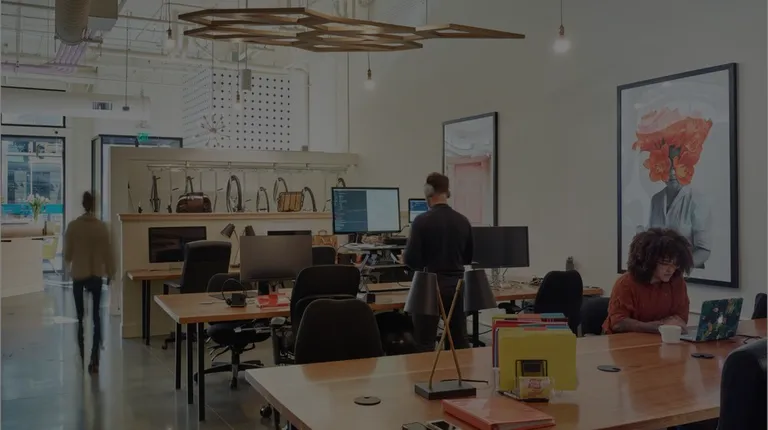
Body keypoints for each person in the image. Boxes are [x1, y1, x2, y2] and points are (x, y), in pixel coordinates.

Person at [403, 172, 473, 351]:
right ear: (447, 192)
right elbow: (468, 257)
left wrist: (404, 257)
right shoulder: (463, 221)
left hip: (429, 286)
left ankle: (427, 370)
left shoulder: (421, 221)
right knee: (458, 340)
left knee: (424, 342)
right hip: (457, 286)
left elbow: (411, 260)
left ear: (428, 191)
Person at [603, 228, 693, 335]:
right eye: (665, 263)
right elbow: (618, 323)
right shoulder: (626, 283)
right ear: (648, 261)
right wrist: (659, 326)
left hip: (658, 340)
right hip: (622, 340)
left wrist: (667, 326)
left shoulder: (677, 282)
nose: (671, 270)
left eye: (675, 264)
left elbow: (681, 318)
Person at [64, 191, 115, 373]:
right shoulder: (101, 227)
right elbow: (108, 253)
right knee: (96, 317)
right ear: (94, 205)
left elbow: (68, 254)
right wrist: (111, 272)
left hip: (79, 275)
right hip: (96, 276)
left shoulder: (73, 227)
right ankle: (94, 358)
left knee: (80, 317)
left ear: (82, 204)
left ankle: (81, 353)